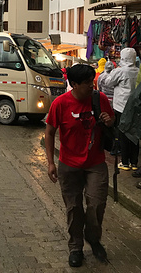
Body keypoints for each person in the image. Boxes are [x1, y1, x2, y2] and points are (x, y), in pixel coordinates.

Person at [45, 64, 114, 268]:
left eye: (92, 81)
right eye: (86, 83)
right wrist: (50, 162)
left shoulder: (99, 99)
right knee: (74, 208)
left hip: (95, 163)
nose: (91, 86)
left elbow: (111, 122)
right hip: (69, 165)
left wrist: (109, 121)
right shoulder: (60, 104)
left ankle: (93, 238)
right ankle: (75, 247)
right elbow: (49, 133)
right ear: (73, 84)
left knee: (96, 204)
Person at [103, 47, 139, 170]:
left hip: (121, 106)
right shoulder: (137, 70)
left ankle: (125, 162)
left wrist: (112, 72)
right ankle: (134, 162)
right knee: (134, 134)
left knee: (122, 133)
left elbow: (108, 82)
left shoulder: (120, 71)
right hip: (134, 107)